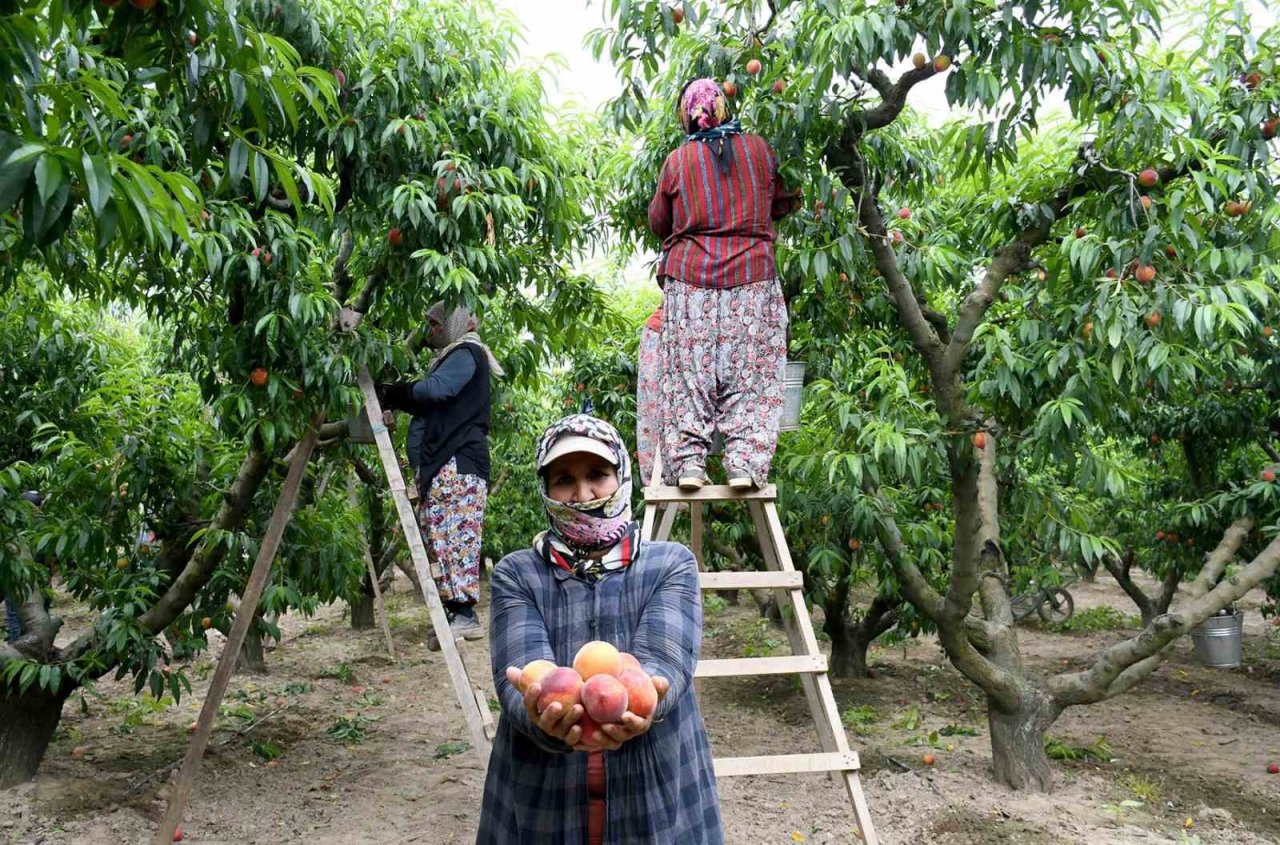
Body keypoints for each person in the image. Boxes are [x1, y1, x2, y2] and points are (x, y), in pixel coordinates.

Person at [477, 414, 722, 845]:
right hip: (545, 793)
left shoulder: (669, 564)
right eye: (563, 480)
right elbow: (522, 672)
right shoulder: (518, 573)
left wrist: (643, 704)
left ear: (622, 477)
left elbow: (666, 661)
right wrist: (543, 718)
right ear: (546, 489)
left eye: (597, 475)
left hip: (652, 787)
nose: (582, 494)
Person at [648, 77, 798, 492]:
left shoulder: (678, 160)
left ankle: (691, 463)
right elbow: (784, 199)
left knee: (688, 375)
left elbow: (659, 221)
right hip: (752, 276)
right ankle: (745, 463)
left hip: (690, 278)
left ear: (687, 114)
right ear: (723, 108)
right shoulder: (760, 150)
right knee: (753, 373)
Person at [377, 301, 502, 649]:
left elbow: (435, 390)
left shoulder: (466, 352)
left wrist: (395, 392)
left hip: (457, 461)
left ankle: (464, 614)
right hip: (444, 463)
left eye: (434, 324)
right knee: (442, 537)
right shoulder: (452, 356)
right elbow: (429, 398)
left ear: (454, 324)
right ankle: (455, 612)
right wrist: (397, 396)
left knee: (456, 534)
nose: (430, 331)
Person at [635, 304, 663, 486]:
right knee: (656, 408)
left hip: (695, 334)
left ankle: (691, 464)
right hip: (662, 333)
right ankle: (660, 478)